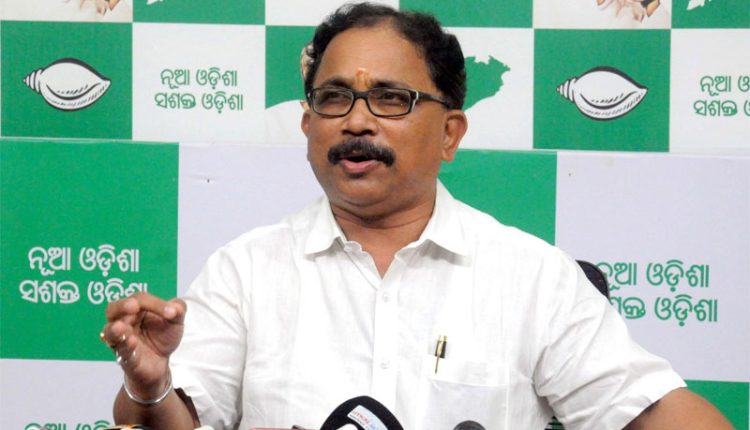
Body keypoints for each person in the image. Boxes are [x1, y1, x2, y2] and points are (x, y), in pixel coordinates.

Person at [101, 3, 733, 429]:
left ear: (450, 133)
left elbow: (655, 414)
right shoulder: (246, 272)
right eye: (334, 97)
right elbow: (165, 421)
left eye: (390, 99)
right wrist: (150, 388)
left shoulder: (530, 277)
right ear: (307, 124)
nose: (356, 120)